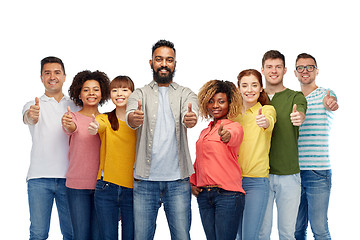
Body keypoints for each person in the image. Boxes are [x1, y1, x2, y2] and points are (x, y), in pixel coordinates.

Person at [126, 39, 199, 240]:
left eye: (169, 60)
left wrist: (190, 118)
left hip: (178, 181)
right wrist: (134, 117)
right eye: (159, 59)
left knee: (182, 236)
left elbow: (191, 113)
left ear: (175, 63)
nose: (164, 64)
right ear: (151, 62)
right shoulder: (139, 93)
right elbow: (130, 116)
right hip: (145, 181)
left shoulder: (186, 93)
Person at [22, 56, 76, 240]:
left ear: (64, 76)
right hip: (39, 178)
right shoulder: (32, 105)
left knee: (72, 233)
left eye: (57, 72)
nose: (52, 76)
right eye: (47, 73)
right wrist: (32, 115)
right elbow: (29, 118)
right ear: (41, 77)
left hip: (70, 179)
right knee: (38, 233)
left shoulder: (75, 106)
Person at [259, 50, 307, 240]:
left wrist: (299, 117)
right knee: (261, 232)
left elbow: (301, 111)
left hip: (289, 175)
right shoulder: (254, 96)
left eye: (278, 67)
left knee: (287, 233)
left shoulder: (295, 97)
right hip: (260, 176)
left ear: (285, 70)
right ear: (262, 70)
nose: (274, 71)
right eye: (269, 67)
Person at [190, 80, 245, 240]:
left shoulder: (234, 127)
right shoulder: (204, 131)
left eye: (221, 101)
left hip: (227, 195)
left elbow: (233, 137)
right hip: (205, 196)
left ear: (230, 103)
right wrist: (193, 182)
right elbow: (199, 161)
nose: (216, 105)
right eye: (211, 101)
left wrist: (226, 136)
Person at [294, 53, 338, 240]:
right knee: (296, 229)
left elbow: (332, 104)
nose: (305, 71)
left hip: (317, 171)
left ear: (316, 71)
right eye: (301, 68)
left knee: (319, 229)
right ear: (295, 73)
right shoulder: (292, 98)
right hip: (293, 172)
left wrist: (331, 104)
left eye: (309, 67)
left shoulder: (325, 94)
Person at [61, 70, 110, 240]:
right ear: (79, 94)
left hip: (103, 188)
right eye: (86, 89)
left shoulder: (108, 120)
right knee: (80, 236)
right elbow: (70, 128)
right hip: (76, 187)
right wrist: (68, 125)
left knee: (99, 236)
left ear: (102, 93)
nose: (91, 93)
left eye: (96, 89)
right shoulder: (71, 117)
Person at [88, 76, 136, 240]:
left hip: (134, 189)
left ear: (132, 93)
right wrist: (94, 127)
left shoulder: (138, 124)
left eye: (124, 89)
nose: (119, 94)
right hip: (106, 188)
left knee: (131, 236)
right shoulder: (105, 119)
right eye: (115, 90)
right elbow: (98, 126)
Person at [234, 69, 276, 240]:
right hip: (232, 182)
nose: (249, 90)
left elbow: (269, 122)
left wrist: (264, 122)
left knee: (249, 236)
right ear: (238, 89)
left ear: (261, 88)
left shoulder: (267, 110)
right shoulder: (232, 114)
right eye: (244, 85)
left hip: (256, 182)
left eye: (254, 85)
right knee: (236, 235)